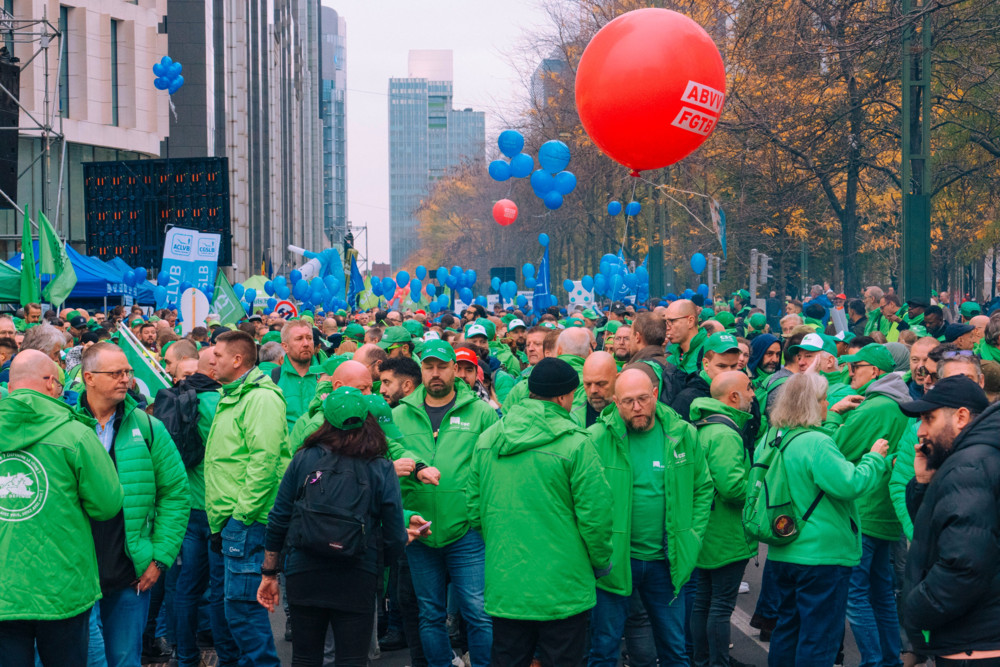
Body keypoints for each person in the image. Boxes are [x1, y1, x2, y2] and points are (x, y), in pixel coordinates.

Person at [467, 357, 614, 666]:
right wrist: (600, 562)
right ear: (563, 397)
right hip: (564, 587)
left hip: (507, 583)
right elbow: (596, 517)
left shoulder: (488, 439)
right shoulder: (577, 444)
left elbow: (474, 511)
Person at [257, 388, 408, 666]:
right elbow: (396, 535)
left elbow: (279, 517)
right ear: (367, 420)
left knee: (304, 658)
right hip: (357, 575)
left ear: (325, 420)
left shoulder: (303, 458)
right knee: (352, 659)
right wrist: (373, 562)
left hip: (305, 572)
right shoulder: (381, 466)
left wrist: (270, 572)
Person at [0, 351, 124, 666]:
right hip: (63, 587)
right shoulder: (76, 434)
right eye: (58, 384)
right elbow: (107, 505)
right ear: (51, 383)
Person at [587, 368, 714, 667]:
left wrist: (692, 537)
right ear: (615, 403)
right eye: (628, 401)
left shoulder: (683, 434)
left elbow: (703, 488)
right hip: (614, 562)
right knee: (603, 648)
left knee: (675, 649)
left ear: (655, 394)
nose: (637, 407)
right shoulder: (595, 439)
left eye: (643, 398)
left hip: (665, 563)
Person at [763, 372, 890, 667]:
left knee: (788, 629)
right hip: (821, 555)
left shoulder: (773, 436)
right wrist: (875, 457)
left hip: (784, 548)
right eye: (823, 400)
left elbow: (816, 453)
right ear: (811, 405)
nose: (827, 403)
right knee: (819, 639)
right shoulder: (816, 444)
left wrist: (832, 416)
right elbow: (850, 484)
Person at [75, 343, 189, 667]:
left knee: (124, 659)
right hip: (78, 574)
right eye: (115, 373)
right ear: (89, 378)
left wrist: (160, 558)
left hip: (131, 574)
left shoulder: (149, 427)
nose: (125, 379)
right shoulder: (67, 427)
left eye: (128, 372)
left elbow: (176, 493)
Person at [390, 340, 500, 667]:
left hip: (466, 532)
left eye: (442, 366)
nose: (435, 374)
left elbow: (493, 470)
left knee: (478, 612)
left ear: (455, 368)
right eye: (428, 367)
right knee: (430, 614)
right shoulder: (398, 414)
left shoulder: (481, 413)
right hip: (419, 532)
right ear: (421, 370)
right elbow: (387, 465)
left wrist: (478, 516)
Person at [898, 376, 1000, 665]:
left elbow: (964, 566)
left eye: (929, 419)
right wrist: (924, 482)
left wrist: (915, 609)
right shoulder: (978, 457)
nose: (921, 431)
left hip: (972, 643)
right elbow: (939, 534)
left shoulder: (968, 467)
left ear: (961, 417)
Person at [204, 330, 290, 666]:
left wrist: (241, 516)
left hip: (249, 522)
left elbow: (264, 463)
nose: (213, 360)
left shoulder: (260, 399)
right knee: (235, 611)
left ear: (238, 360)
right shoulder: (235, 395)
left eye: (218, 356)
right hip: (234, 521)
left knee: (244, 613)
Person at [689, 371, 757, 667]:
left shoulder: (702, 426)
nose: (754, 395)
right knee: (719, 607)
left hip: (706, 529)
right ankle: (717, 663)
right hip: (726, 533)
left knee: (703, 602)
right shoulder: (725, 433)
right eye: (749, 388)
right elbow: (732, 488)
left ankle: (702, 660)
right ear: (733, 396)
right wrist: (756, 492)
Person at [275, 320, 323, 432]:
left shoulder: (327, 376)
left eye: (309, 338)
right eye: (299, 339)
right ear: (285, 346)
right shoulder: (272, 379)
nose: (306, 343)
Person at [665, 300, 707, 374]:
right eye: (666, 322)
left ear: (690, 321)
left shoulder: (709, 351)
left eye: (672, 321)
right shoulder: (672, 357)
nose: (667, 327)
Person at [582, 351, 618, 426]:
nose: (593, 390)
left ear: (617, 379)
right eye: (588, 384)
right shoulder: (571, 413)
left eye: (601, 384)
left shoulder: (631, 415)